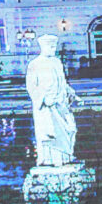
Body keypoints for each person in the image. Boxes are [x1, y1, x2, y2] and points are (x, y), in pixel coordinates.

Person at [25, 34, 77, 166]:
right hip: (46, 107)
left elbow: (62, 81)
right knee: (49, 134)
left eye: (54, 47)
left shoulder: (57, 62)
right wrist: (43, 99)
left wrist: (70, 92)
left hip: (61, 104)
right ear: (43, 47)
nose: (53, 49)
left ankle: (66, 157)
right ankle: (50, 160)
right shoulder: (35, 64)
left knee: (70, 129)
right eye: (51, 47)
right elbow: (31, 86)